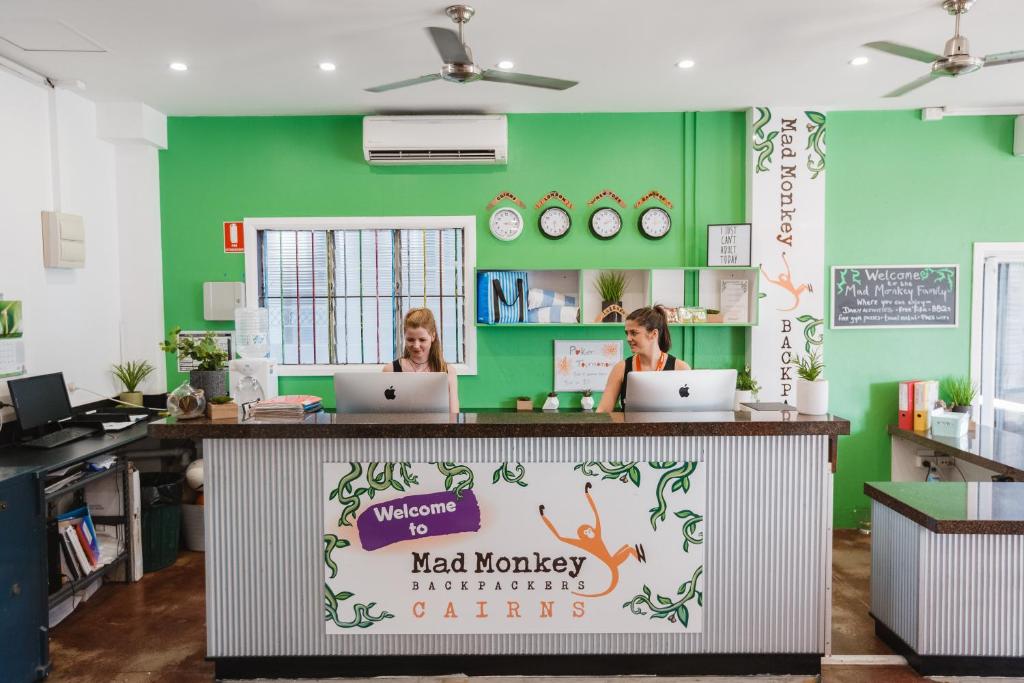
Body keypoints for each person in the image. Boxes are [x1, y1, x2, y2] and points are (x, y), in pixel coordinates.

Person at [596, 305, 691, 413]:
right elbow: (603, 410)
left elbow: (690, 412)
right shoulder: (620, 368)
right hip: (630, 430)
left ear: (654, 334)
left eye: (634, 333)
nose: (628, 338)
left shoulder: (681, 368)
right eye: (627, 333)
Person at [383, 307, 459, 413]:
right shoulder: (389, 370)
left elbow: (454, 415)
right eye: (410, 339)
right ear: (405, 337)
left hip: (437, 429)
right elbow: (384, 412)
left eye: (422, 340)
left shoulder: (448, 371)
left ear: (433, 336)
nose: (416, 346)